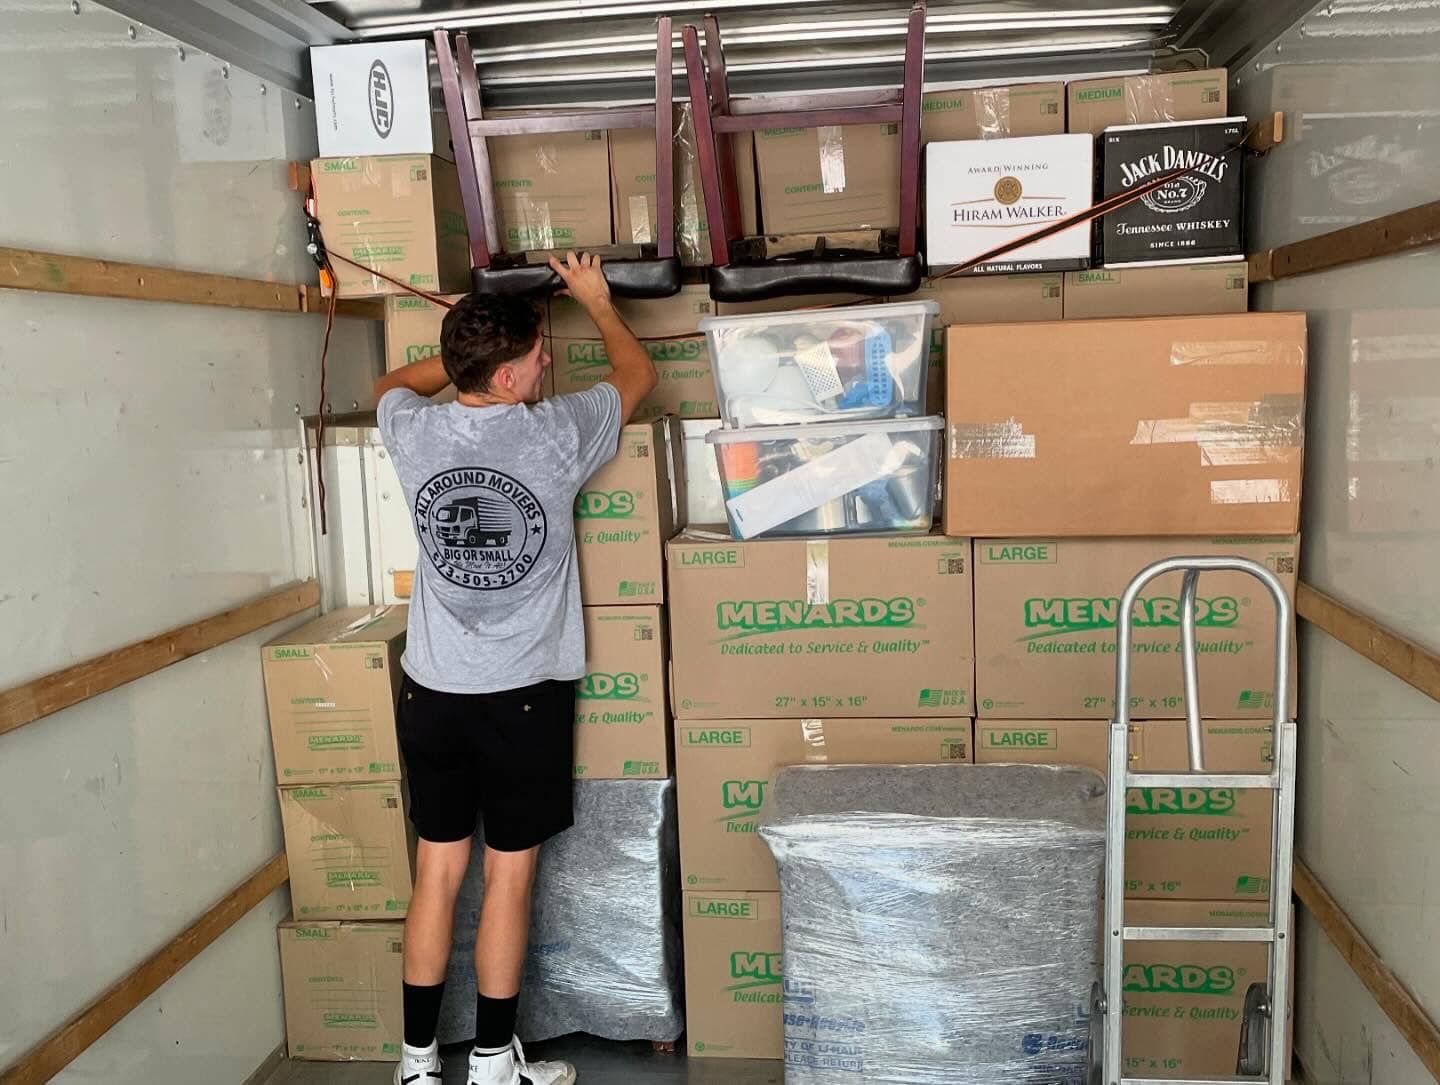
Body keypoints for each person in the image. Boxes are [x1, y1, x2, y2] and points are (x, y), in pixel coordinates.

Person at [373, 252, 656, 1085]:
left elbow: (394, 377)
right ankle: (494, 1061)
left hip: (432, 691)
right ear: (504, 379)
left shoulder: (410, 428)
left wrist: (467, 344)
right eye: (535, 353)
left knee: (438, 872)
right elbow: (637, 374)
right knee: (507, 876)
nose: (549, 359)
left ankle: (418, 1065)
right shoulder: (555, 433)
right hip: (522, 699)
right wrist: (598, 304)